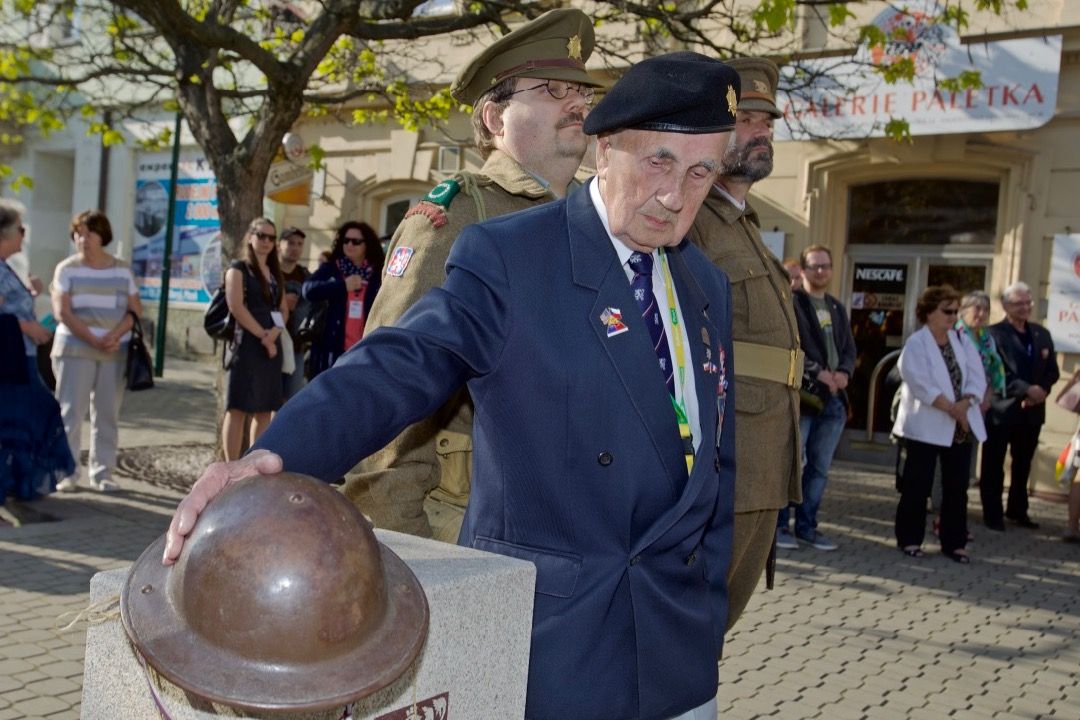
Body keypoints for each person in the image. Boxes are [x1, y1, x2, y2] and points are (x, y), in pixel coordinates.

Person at [165, 52, 741, 720]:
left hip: (678, 655)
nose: (676, 195)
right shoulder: (513, 255)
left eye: (700, 171)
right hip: (555, 645)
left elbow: (716, 465)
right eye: (658, 162)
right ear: (604, 149)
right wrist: (274, 458)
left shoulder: (704, 284)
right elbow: (399, 363)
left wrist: (708, 604)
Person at [343, 7, 603, 542]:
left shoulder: (599, 219)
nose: (578, 101)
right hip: (470, 518)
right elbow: (390, 379)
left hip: (578, 513)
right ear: (494, 118)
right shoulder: (458, 215)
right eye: (553, 89)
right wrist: (402, 539)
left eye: (583, 91)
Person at [687, 57, 801, 630]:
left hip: (763, 454)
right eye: (748, 119)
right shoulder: (692, 219)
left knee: (715, 625)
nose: (763, 133)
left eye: (769, 123)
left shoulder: (742, 222)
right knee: (694, 622)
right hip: (724, 457)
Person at [892, 286, 986, 563]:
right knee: (917, 485)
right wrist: (953, 409)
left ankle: (954, 542)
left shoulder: (961, 339)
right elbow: (920, 383)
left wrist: (966, 403)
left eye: (956, 311)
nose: (953, 316)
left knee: (957, 487)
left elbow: (977, 376)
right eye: (947, 311)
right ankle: (909, 539)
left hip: (961, 424)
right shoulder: (916, 343)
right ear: (929, 312)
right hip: (926, 425)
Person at [50, 210, 141, 493]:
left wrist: (113, 336)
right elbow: (61, 311)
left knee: (107, 414)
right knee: (70, 413)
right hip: (75, 349)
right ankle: (67, 471)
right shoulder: (67, 269)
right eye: (78, 233)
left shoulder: (122, 269)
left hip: (114, 350)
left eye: (89, 233)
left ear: (103, 235)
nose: (82, 239)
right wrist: (92, 337)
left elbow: (134, 311)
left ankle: (102, 473)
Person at [778, 244, 856, 550]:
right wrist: (817, 372)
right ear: (805, 269)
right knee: (793, 464)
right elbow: (790, 346)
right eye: (815, 266)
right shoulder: (792, 303)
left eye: (826, 266)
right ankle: (782, 527)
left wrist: (845, 373)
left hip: (835, 400)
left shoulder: (837, 307)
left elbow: (849, 348)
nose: (821, 271)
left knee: (820, 468)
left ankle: (808, 527)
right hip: (806, 397)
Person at [0, 200, 74, 502]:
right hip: (10, 364)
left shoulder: (7, 267)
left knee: (27, 419)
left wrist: (29, 291)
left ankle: (19, 484)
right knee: (24, 419)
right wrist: (26, 327)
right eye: (20, 229)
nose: (24, 234)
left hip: (21, 360)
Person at [980, 281, 1059, 530]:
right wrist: (1026, 389)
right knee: (994, 464)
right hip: (1002, 410)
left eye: (1028, 302)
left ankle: (1017, 510)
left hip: (1032, 411)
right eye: (1019, 303)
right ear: (1005, 306)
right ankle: (992, 514)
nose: (1025, 307)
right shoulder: (993, 334)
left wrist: (1041, 391)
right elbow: (995, 371)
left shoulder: (1041, 333)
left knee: (1023, 463)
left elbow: (1052, 370)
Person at [221, 217, 288, 461]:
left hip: (270, 345)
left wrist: (274, 335)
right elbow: (236, 307)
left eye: (272, 237)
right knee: (237, 407)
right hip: (247, 345)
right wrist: (263, 336)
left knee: (264, 409)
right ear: (250, 236)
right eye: (261, 235)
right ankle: (231, 464)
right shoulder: (238, 268)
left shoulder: (274, 272)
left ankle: (253, 462)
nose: (266, 242)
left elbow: (283, 310)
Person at [302, 221, 383, 380]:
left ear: (367, 244)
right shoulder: (332, 267)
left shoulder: (377, 272)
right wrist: (341, 286)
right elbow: (308, 289)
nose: (349, 245)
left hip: (365, 350)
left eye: (356, 241)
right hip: (332, 349)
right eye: (346, 240)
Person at [278, 226, 310, 400]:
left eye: (299, 244)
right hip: (270, 345)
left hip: (296, 347)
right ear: (279, 245)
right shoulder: (269, 273)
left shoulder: (306, 276)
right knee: (265, 404)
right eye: (290, 243)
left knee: (292, 402)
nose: (295, 247)